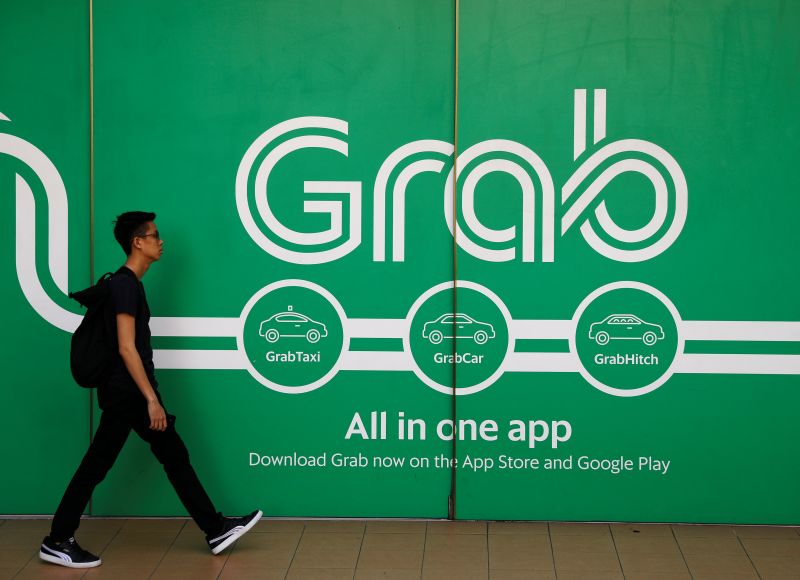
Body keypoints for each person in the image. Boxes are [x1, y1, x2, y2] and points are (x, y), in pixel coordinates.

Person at [40, 211, 261, 569]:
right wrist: (151, 400)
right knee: (102, 465)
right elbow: (127, 347)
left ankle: (215, 528)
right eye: (155, 236)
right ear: (137, 242)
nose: (161, 242)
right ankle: (58, 539)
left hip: (126, 392)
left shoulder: (128, 284)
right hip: (128, 394)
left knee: (170, 455)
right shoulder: (126, 285)